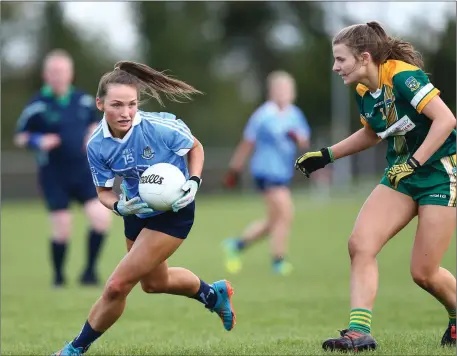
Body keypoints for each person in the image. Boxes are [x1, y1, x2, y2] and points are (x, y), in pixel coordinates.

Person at [52, 61, 236, 356]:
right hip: (136, 211)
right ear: (100, 104)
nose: (125, 113)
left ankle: (75, 348)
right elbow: (102, 191)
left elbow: (195, 147)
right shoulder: (97, 144)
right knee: (154, 283)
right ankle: (213, 295)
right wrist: (119, 207)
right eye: (117, 105)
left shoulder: (158, 126)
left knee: (116, 286)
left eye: (132, 104)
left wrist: (194, 182)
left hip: (173, 212)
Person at [295, 21, 456, 351]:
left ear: (364, 57)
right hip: (401, 176)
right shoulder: (364, 91)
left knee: (424, 273)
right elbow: (373, 132)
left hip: (439, 174)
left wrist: (414, 162)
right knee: (360, 244)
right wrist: (327, 155)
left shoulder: (403, 77)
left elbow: (446, 121)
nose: (335, 67)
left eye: (340, 59)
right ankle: (359, 332)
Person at [14, 49, 111, 287]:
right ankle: (58, 277)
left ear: (71, 74)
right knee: (63, 227)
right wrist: (39, 141)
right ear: (46, 75)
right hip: (53, 175)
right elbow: (20, 136)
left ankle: (89, 272)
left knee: (101, 218)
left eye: (62, 71)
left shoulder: (84, 100)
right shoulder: (37, 104)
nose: (58, 76)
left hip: (83, 172)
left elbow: (98, 123)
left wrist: (92, 133)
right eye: (53, 72)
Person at [222, 70, 311, 275]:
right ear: (271, 92)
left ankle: (236, 245)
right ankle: (278, 260)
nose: (283, 93)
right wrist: (234, 169)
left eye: (287, 90)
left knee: (273, 221)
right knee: (286, 213)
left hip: (283, 172)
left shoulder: (295, 114)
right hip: (265, 171)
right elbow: (247, 143)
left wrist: (296, 137)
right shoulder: (263, 115)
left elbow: (304, 140)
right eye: (279, 89)